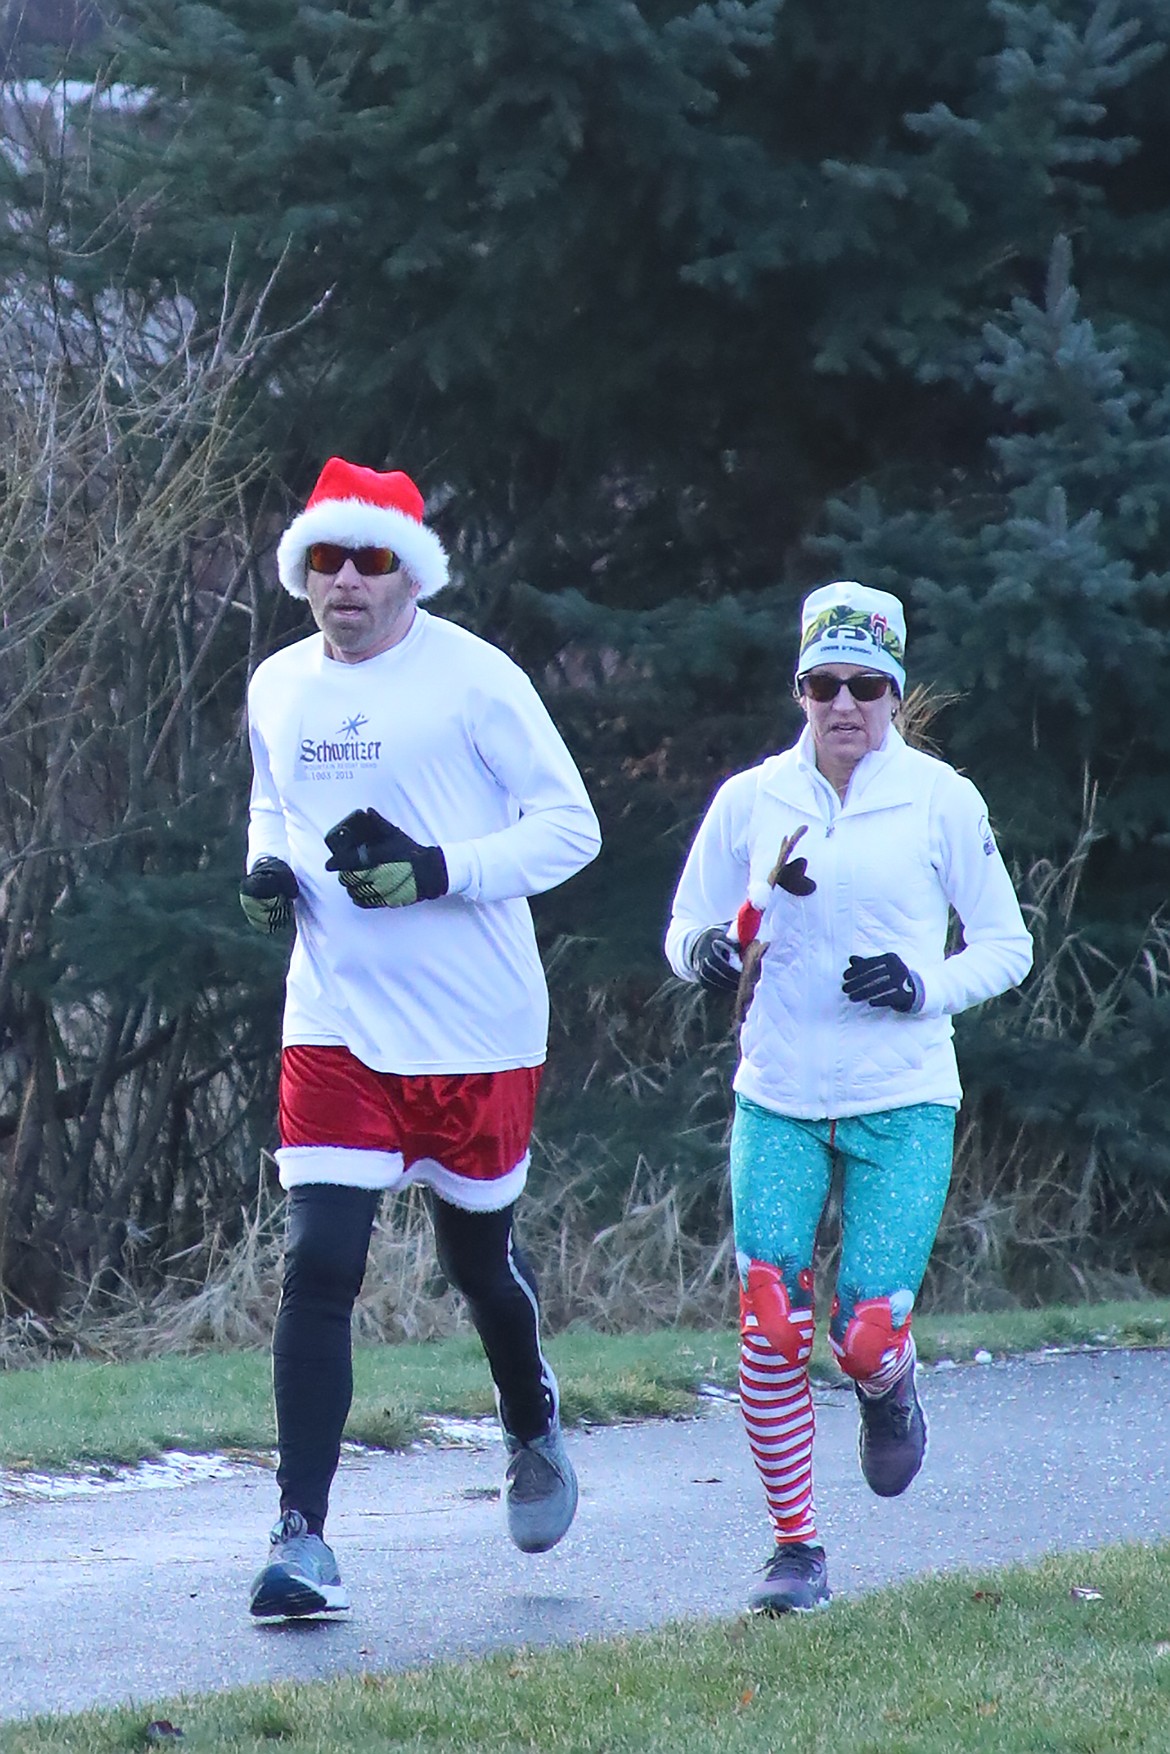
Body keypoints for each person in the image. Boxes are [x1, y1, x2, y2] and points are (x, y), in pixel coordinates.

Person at [238, 457, 601, 1620]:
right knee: (320, 1262)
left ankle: (531, 1416)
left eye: (372, 559)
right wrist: (268, 874)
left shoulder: (475, 681)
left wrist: (443, 868)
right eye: (326, 560)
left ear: (410, 576)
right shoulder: (278, 686)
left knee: (477, 1263)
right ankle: (301, 1536)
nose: (346, 580)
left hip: (476, 1026)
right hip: (335, 1018)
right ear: (302, 572)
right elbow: (271, 806)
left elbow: (571, 828)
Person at [664, 580, 1032, 1614]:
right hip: (777, 1093)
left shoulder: (941, 800)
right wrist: (708, 951)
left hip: (903, 1096)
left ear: (892, 690)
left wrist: (925, 985)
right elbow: (689, 925)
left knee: (864, 1329)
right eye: (823, 683)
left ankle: (890, 1384)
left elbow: (1007, 943)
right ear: (800, 688)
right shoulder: (751, 799)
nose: (843, 706)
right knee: (772, 1318)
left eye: (865, 685)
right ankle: (796, 1548)